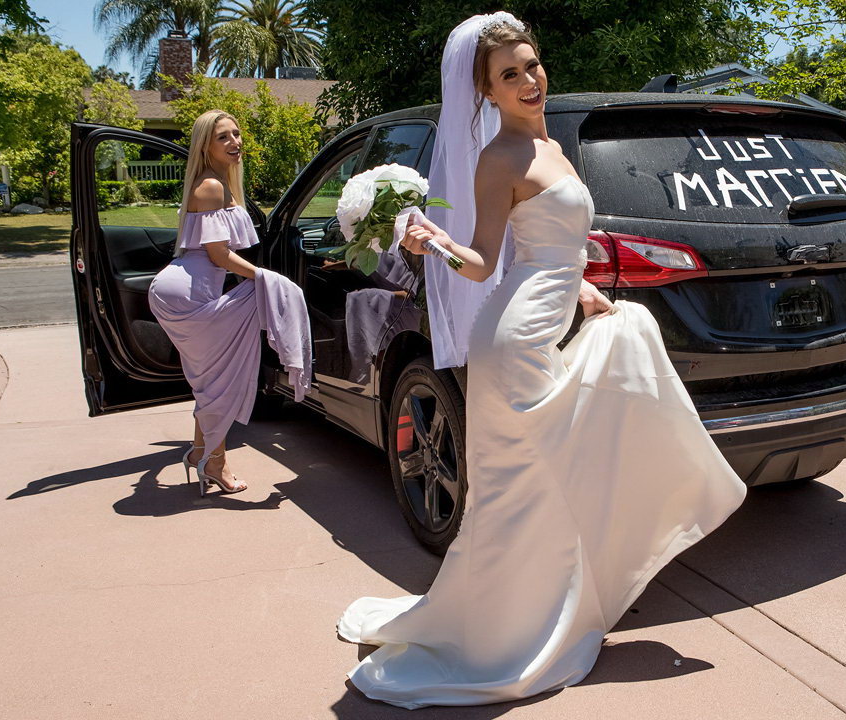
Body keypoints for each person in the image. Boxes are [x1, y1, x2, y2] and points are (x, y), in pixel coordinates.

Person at [336, 13, 746, 709]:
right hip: (513, 340)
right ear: (486, 93)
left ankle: (543, 619)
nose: (529, 80)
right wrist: (429, 239)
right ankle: (501, 638)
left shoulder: (550, 143)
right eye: (509, 74)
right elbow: (483, 264)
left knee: (549, 480)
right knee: (519, 491)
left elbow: (546, 244)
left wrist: (581, 285)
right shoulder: (498, 158)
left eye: (531, 65)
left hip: (544, 324)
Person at [147, 109, 311, 497]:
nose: (235, 142)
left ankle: (201, 454)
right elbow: (219, 256)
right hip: (186, 296)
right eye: (224, 137)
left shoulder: (217, 183)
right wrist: (266, 278)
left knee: (210, 382)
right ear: (206, 145)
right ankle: (214, 462)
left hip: (187, 290)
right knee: (218, 382)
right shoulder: (211, 187)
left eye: (237, 134)